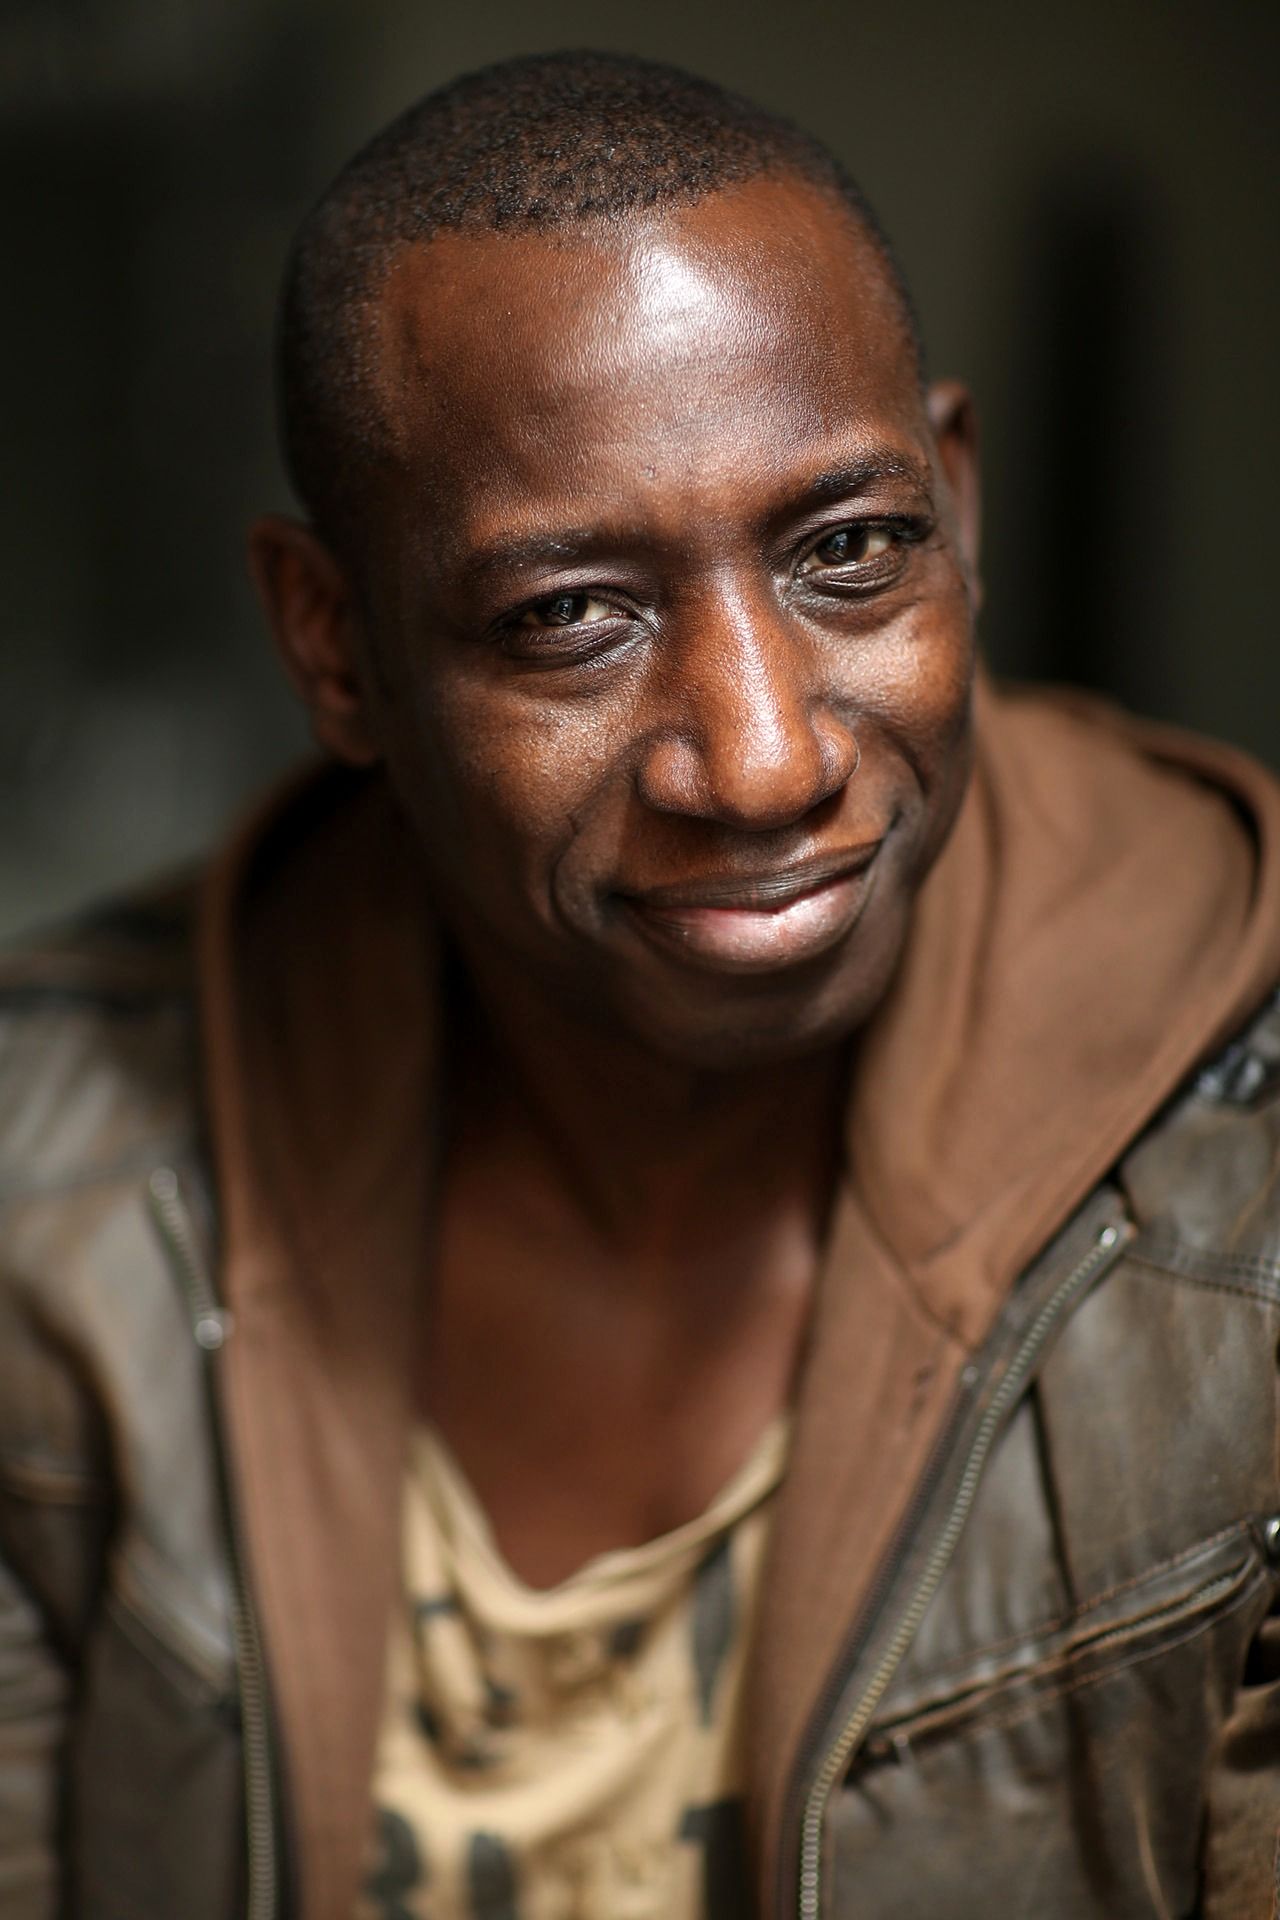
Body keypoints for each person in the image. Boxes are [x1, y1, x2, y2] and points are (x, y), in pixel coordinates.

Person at [1, 47, 1278, 1920]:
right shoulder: (46, 1195)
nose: (762, 761)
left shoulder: (1251, 1220)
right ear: (333, 644)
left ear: (960, 504)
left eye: (850, 552)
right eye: (570, 618)